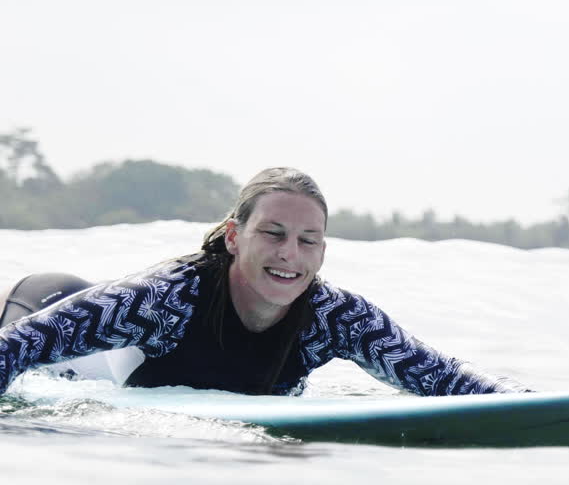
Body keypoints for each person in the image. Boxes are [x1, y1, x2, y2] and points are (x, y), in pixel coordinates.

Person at [0, 167, 530, 397]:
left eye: (308, 240)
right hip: (68, 339)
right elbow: (17, 348)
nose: (289, 255)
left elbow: (438, 378)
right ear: (234, 236)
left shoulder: (334, 317)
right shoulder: (164, 300)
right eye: (273, 233)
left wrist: (536, 404)